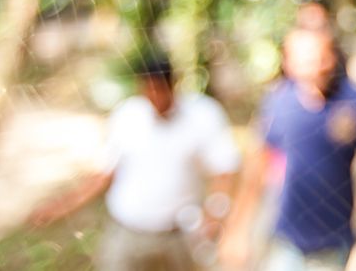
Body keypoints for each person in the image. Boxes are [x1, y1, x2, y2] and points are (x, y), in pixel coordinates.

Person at [29, 52, 241, 271]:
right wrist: (62, 207)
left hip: (179, 236)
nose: (155, 96)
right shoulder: (127, 116)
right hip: (127, 232)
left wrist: (216, 213)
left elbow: (224, 169)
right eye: (149, 88)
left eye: (160, 88)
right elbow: (102, 175)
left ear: (173, 83)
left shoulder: (202, 115)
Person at [220, 22, 356, 271]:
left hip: (336, 246)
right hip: (286, 244)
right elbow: (256, 172)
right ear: (288, 64)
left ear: (331, 57)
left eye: (319, 57)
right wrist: (237, 230)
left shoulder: (355, 102)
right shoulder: (277, 103)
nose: (314, 66)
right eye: (303, 58)